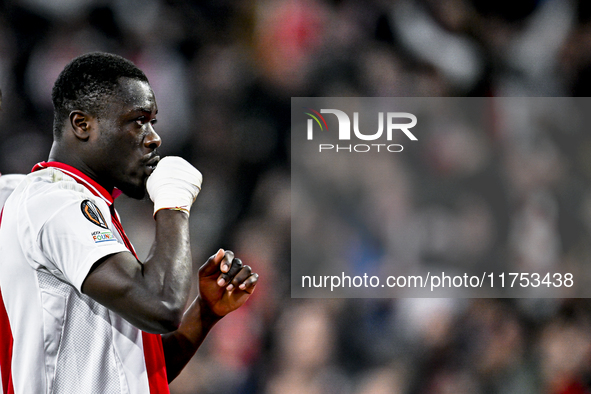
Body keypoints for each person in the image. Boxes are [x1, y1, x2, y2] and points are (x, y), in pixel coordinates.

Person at [0, 52, 258, 394]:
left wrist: (204, 314)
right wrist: (172, 203)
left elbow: (134, 372)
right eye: (138, 121)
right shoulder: (57, 202)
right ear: (82, 125)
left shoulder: (82, 206)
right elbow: (162, 306)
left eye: (152, 122)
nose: (153, 138)